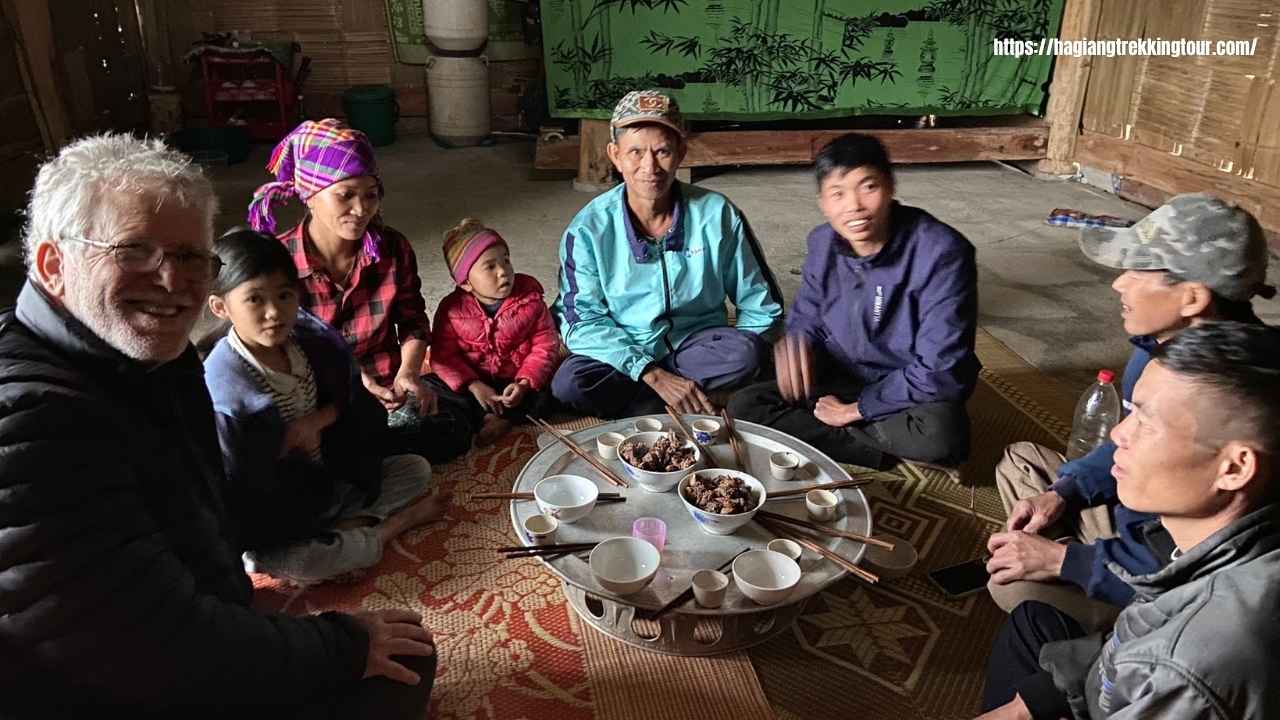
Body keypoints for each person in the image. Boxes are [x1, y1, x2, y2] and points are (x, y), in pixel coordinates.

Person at [0, 134, 435, 716]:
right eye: (133, 251)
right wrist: (338, 645)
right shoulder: (29, 421)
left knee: (402, 642)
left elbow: (205, 526)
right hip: (125, 681)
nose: (172, 281)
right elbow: (150, 646)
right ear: (55, 265)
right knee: (398, 663)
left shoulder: (158, 355)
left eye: (190, 258)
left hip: (195, 623)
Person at [986, 193, 1273, 631]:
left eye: (1140, 271)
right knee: (1022, 462)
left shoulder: (1239, 397)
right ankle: (1073, 562)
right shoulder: (1159, 349)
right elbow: (1125, 446)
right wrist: (1063, 492)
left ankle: (1119, 623)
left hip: (1177, 570)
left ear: (1193, 298)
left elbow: (1205, 556)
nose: (1119, 283)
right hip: (1135, 516)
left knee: (1010, 587)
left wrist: (1065, 560)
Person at [978, 321, 1280, 720]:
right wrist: (1033, 702)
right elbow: (1130, 639)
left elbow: (1166, 664)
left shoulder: (1194, 663)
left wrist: (1061, 561)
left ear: (1235, 467)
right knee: (1031, 624)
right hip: (1111, 677)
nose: (1118, 433)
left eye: (1145, 422)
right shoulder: (1222, 543)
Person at [204, 229, 445, 586]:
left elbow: (349, 404)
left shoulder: (310, 343)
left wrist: (320, 420)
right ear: (221, 307)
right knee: (304, 563)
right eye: (255, 299)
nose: (274, 313)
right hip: (280, 511)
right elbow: (234, 483)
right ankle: (393, 526)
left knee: (416, 469)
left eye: (284, 295)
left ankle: (342, 528)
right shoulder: (223, 384)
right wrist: (284, 446)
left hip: (330, 483)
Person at [729, 133, 978, 469]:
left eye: (868, 187)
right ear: (823, 202)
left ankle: (854, 432)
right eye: (838, 193)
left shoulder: (942, 252)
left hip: (906, 383)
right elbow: (807, 314)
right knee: (744, 406)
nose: (854, 206)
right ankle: (879, 447)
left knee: (941, 437)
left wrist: (855, 410)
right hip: (842, 372)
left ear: (889, 186)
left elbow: (940, 367)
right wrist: (798, 343)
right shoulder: (822, 243)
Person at [550, 89, 784, 419]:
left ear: (681, 152)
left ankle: (644, 406)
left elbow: (761, 305)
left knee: (748, 354)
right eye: (635, 152)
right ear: (615, 155)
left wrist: (755, 348)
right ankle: (677, 398)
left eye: (662, 151)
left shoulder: (717, 214)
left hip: (697, 346)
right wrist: (650, 373)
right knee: (571, 383)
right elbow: (579, 320)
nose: (650, 167)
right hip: (624, 348)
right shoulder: (588, 229)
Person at [248, 118, 471, 462]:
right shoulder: (279, 264)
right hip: (318, 395)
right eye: (345, 195)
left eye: (370, 195)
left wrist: (408, 373)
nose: (361, 209)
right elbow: (278, 355)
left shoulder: (392, 249)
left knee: (451, 431)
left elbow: (412, 320)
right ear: (309, 195)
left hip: (387, 388)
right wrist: (353, 381)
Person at [427, 218, 560, 445]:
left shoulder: (531, 301)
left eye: (506, 261)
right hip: (474, 381)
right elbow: (443, 355)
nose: (503, 272)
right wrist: (474, 385)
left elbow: (545, 346)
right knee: (436, 388)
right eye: (490, 266)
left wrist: (524, 383)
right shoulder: (451, 310)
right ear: (466, 283)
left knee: (547, 394)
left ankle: (504, 418)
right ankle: (484, 415)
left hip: (515, 380)